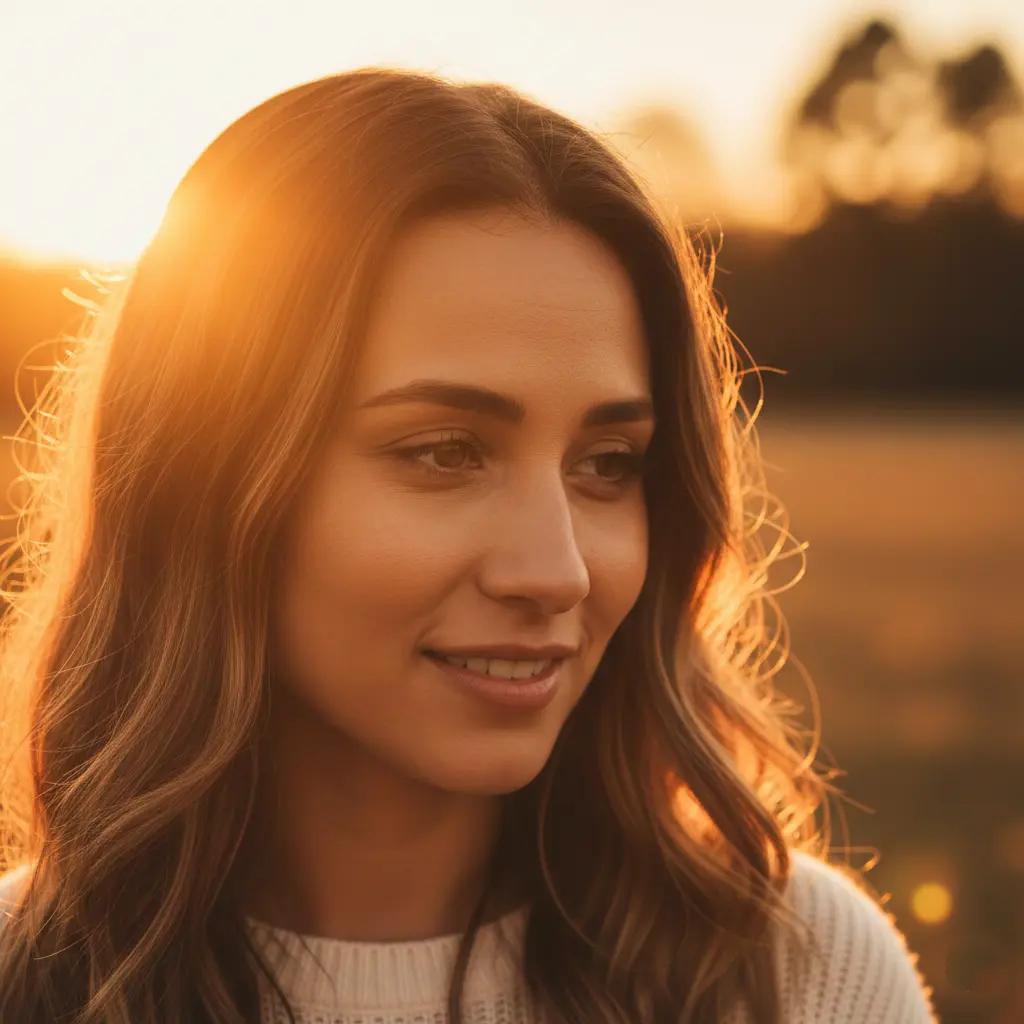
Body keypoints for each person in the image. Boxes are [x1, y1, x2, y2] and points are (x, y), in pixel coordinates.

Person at [0, 68, 936, 1023]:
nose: (557, 571)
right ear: (207, 484)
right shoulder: (26, 983)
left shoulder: (800, 978)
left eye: (608, 463)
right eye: (445, 452)